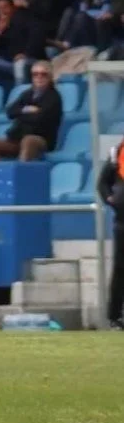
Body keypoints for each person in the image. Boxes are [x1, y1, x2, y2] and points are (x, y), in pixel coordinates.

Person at [97, 140, 124, 328]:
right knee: (120, 269)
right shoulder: (118, 152)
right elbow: (102, 183)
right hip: (122, 220)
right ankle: (115, 316)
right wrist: (110, 199)